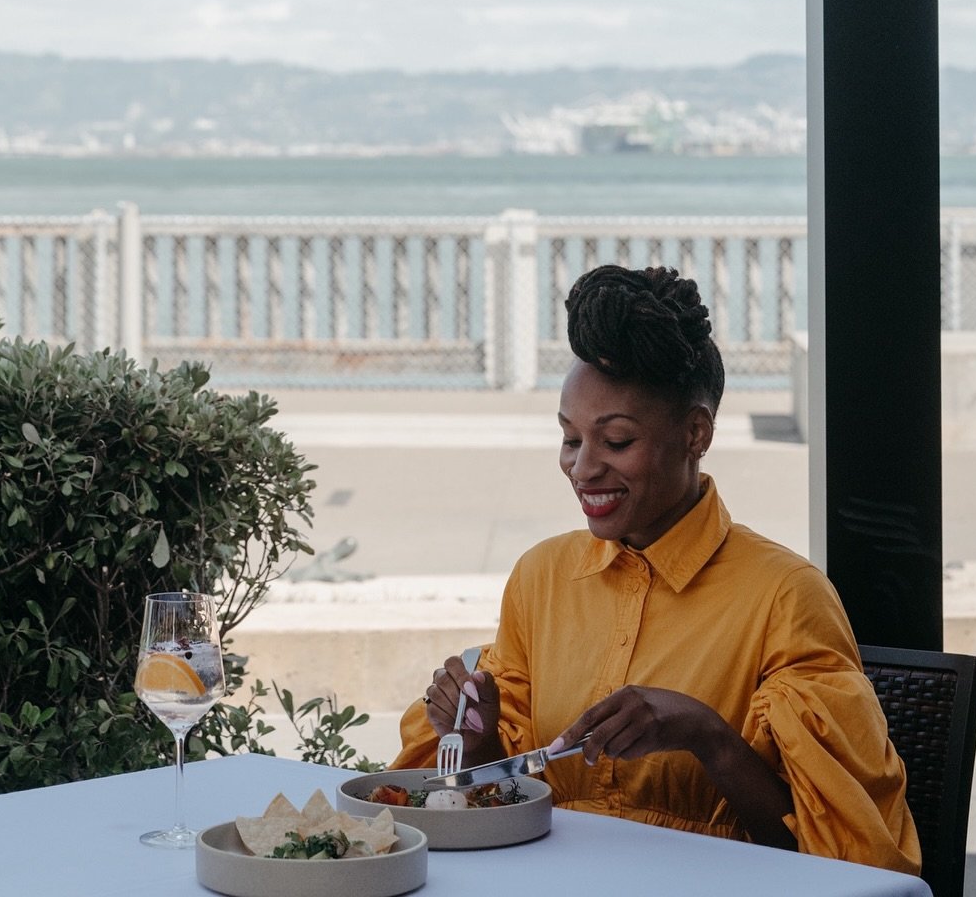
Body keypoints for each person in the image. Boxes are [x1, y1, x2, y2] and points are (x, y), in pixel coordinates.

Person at [391, 263, 920, 874]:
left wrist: (707, 736)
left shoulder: (785, 597)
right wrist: (474, 732)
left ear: (696, 433)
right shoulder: (541, 577)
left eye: (616, 442)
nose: (583, 468)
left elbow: (834, 861)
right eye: (570, 439)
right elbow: (502, 798)